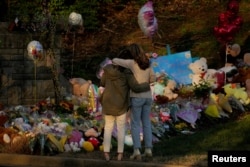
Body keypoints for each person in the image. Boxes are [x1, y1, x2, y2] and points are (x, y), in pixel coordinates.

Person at [99, 48, 151, 161]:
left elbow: (102, 83)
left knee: (108, 128)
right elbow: (134, 87)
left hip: (108, 103)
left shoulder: (107, 69)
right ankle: (120, 154)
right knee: (121, 128)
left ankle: (106, 153)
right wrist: (146, 86)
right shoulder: (127, 72)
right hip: (121, 104)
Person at [112, 43, 156, 160]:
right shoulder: (147, 63)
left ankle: (136, 150)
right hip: (147, 97)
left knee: (135, 124)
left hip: (136, 97)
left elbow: (115, 60)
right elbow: (153, 78)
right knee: (146, 123)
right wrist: (146, 81)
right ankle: (148, 149)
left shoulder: (132, 63)